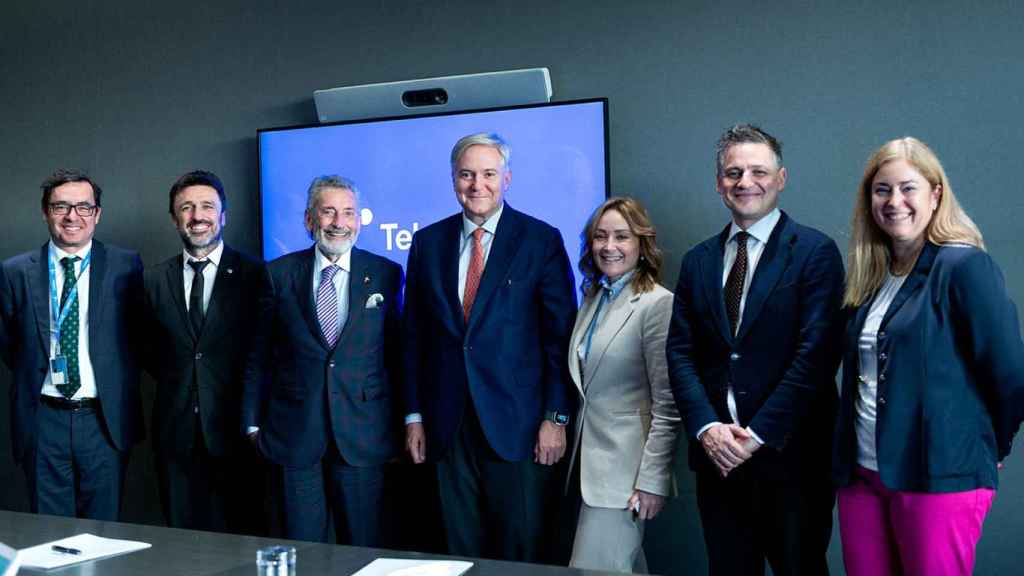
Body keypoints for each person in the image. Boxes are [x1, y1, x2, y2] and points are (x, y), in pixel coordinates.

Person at [834, 137, 1024, 576]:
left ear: (935, 193)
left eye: (907, 188)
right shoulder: (871, 277)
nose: (894, 201)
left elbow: (1011, 374)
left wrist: (991, 444)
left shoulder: (964, 267)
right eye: (881, 190)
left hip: (938, 471)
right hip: (862, 475)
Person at [666, 124, 845, 575]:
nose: (745, 181)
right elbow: (680, 354)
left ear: (780, 179)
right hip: (718, 459)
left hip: (792, 460)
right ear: (719, 183)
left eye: (758, 171)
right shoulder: (698, 261)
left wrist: (758, 435)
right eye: (733, 172)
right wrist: (707, 428)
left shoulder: (814, 253)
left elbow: (816, 357)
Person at [403, 132, 577, 561]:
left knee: (518, 550)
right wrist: (414, 415)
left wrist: (555, 417)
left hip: (518, 427)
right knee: (455, 551)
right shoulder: (428, 243)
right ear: (453, 181)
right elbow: (413, 339)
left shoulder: (540, 240)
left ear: (507, 179)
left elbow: (559, 339)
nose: (476, 185)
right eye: (466, 175)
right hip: (447, 427)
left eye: (488, 174)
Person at [241, 175, 403, 545]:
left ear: (359, 220)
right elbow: (258, 355)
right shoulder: (278, 274)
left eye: (348, 213)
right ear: (309, 219)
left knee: (363, 549)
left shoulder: (385, 274)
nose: (339, 223)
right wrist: (250, 423)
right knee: (304, 549)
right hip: (294, 435)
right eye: (328, 212)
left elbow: (398, 356)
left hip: (364, 436)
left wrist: (403, 424)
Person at [0, 169, 143, 520]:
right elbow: (8, 345)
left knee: (103, 530)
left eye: (83, 207)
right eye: (60, 206)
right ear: (45, 212)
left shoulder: (126, 266)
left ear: (97, 214)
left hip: (103, 420)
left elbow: (141, 337)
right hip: (42, 418)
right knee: (49, 533)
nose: (72, 216)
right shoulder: (15, 271)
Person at [143, 170, 270, 533]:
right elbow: (148, 350)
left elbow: (263, 353)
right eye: (186, 207)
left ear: (224, 215)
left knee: (244, 538)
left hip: (239, 433)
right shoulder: (152, 280)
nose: (197, 216)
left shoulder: (256, 274)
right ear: (174, 218)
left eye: (206, 207)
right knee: (184, 542)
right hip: (175, 432)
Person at [566, 197, 680, 573]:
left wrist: (653, 479)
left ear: (641, 244)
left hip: (625, 476)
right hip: (588, 470)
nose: (609, 246)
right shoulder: (595, 297)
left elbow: (667, 404)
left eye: (621, 236)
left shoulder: (657, 304)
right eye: (600, 236)